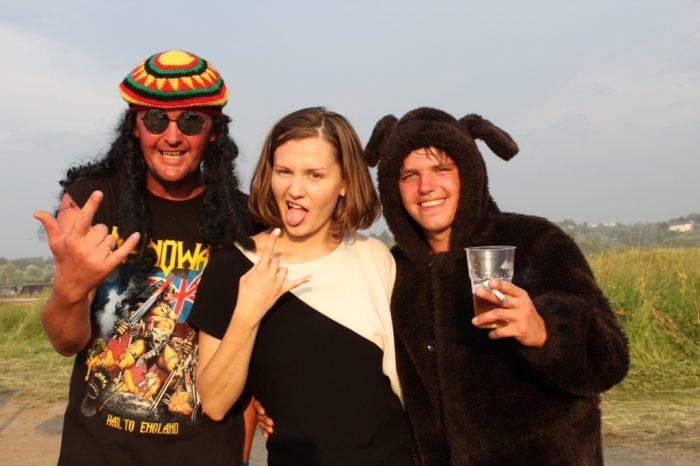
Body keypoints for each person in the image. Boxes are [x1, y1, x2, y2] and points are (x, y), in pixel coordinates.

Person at [359, 107, 630, 465]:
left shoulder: (536, 241)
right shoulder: (391, 269)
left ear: (470, 172)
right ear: (392, 187)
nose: (425, 186)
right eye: (409, 174)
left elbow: (610, 359)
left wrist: (545, 331)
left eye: (442, 169)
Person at [33, 50, 256, 465]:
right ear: (134, 126)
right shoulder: (92, 204)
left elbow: (256, 351)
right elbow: (66, 342)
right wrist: (69, 289)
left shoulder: (245, 220)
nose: (172, 136)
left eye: (190, 120)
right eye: (155, 119)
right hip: (98, 454)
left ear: (213, 131)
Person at [187, 107, 413, 465]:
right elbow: (214, 402)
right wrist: (248, 312)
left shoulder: (376, 258)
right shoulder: (232, 267)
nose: (295, 190)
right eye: (284, 172)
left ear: (345, 183)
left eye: (315, 175)